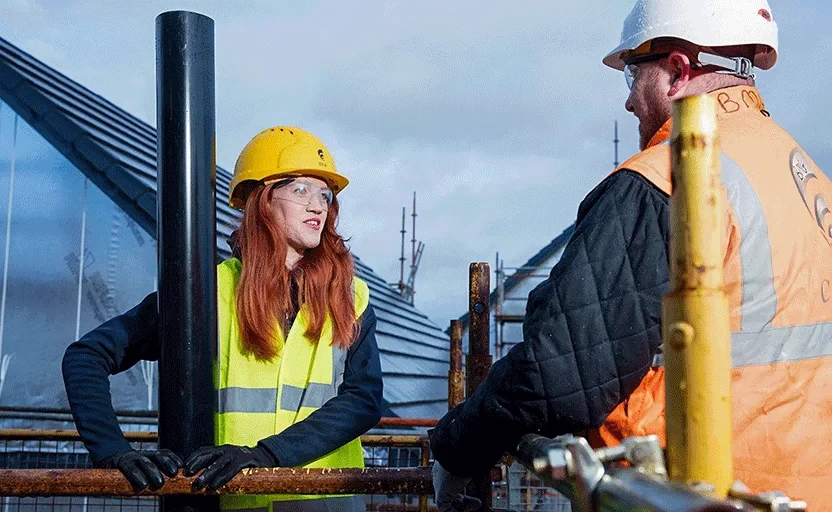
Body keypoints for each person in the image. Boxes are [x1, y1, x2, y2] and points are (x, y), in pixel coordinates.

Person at [430, 0, 832, 509]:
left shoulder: (665, 180)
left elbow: (558, 377)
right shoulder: (806, 176)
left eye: (630, 76)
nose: (628, 104)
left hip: (693, 494)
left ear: (677, 71)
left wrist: (455, 449)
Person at [63, 126, 384, 512]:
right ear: (261, 200)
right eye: (301, 190)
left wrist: (268, 455)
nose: (318, 205)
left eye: (325, 194)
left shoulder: (350, 296)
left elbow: (364, 399)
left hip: (326, 505)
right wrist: (113, 452)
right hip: (233, 504)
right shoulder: (205, 292)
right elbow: (85, 357)